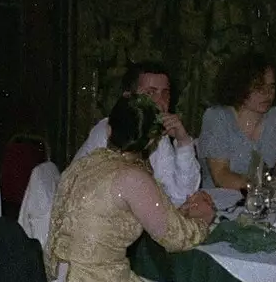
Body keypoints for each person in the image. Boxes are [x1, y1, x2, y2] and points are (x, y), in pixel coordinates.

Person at [48, 95, 213, 282]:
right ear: (152, 140)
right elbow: (178, 239)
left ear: (109, 130)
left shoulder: (85, 163)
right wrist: (205, 216)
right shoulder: (133, 177)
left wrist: (178, 213)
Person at [72, 61, 214, 218]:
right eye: (150, 93)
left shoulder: (157, 136)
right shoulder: (113, 132)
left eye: (165, 94)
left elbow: (181, 195)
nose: (160, 102)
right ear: (128, 97)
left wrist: (183, 141)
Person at [197, 51, 276, 191]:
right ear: (240, 87)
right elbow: (221, 176)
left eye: (271, 86)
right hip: (221, 203)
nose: (268, 94)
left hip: (262, 200)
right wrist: (264, 186)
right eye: (259, 87)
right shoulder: (218, 117)